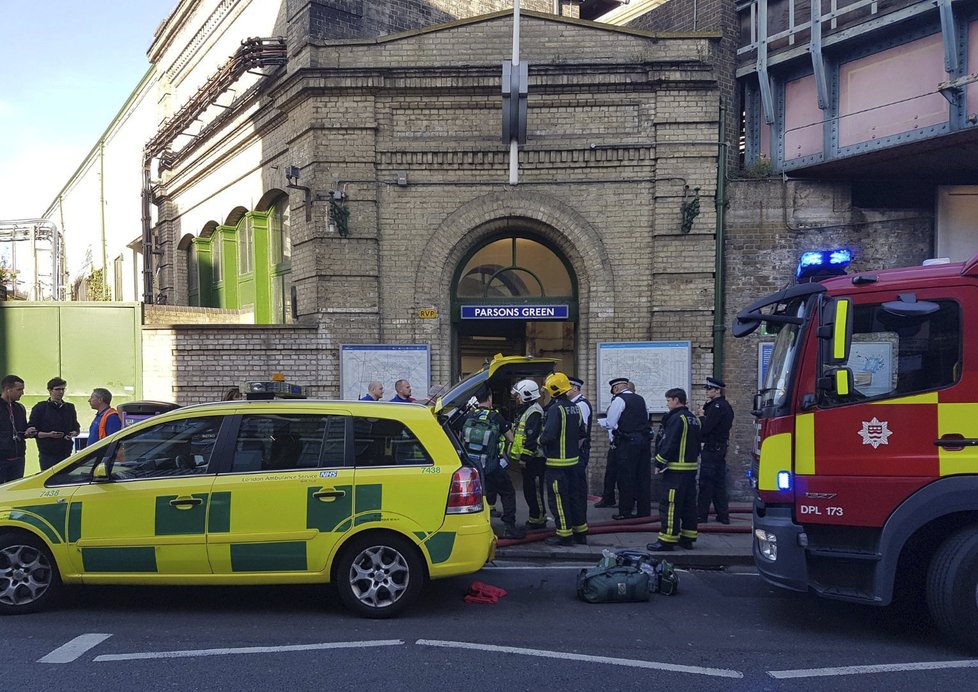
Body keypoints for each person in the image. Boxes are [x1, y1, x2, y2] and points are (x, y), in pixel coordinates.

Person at [461, 386, 525, 539]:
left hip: (473, 466)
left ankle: (481, 526)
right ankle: (509, 526)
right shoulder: (496, 417)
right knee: (507, 491)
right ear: (490, 398)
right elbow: (511, 438)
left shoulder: (469, 415)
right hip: (491, 464)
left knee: (480, 493)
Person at [647, 388, 702, 551]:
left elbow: (669, 442)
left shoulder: (677, 419)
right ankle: (688, 538)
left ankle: (667, 540)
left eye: (669, 400)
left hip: (676, 470)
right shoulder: (694, 419)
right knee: (689, 505)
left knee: (670, 505)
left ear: (677, 400)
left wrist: (659, 462)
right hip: (690, 469)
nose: (667, 403)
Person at [540, 372, 586, 546]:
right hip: (573, 463)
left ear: (553, 390)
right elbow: (582, 433)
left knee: (558, 500)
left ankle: (564, 535)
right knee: (574, 498)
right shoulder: (576, 408)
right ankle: (581, 532)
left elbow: (548, 436)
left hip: (556, 465)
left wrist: (538, 440)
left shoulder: (555, 409)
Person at [604, 377, 651, 520]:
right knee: (642, 477)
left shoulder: (619, 400)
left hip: (627, 443)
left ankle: (625, 511)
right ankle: (644, 510)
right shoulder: (640, 399)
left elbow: (610, 423)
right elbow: (646, 417)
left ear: (616, 388)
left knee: (626, 477)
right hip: (643, 442)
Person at [510, 378, 547, 530]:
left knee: (535, 491)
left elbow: (531, 438)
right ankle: (534, 517)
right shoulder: (528, 410)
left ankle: (539, 519)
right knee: (529, 490)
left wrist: (524, 458)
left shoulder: (535, 412)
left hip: (535, 460)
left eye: (519, 395)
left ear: (526, 394)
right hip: (530, 459)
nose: (517, 398)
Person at [698, 377, 735, 524]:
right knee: (719, 483)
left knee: (706, 483)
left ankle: (701, 515)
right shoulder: (723, 405)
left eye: (709, 389)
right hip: (720, 448)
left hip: (712, 449)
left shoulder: (717, 407)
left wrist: (701, 417)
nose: (707, 391)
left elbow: (707, 428)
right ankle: (723, 515)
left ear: (717, 390)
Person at [28, 377, 80, 471]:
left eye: (62, 389)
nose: (61, 392)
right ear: (50, 390)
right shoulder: (40, 408)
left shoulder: (69, 407)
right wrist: (49, 435)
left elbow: (75, 426)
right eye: (57, 389)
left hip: (65, 451)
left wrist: (73, 433)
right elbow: (32, 431)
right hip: (48, 453)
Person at [567, 376, 592, 537]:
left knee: (577, 490)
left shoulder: (581, 405)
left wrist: (573, 451)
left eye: (567, 387)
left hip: (578, 454)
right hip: (575, 453)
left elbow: (580, 434)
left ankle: (580, 524)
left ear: (575, 388)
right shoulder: (573, 405)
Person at [0, 375, 31, 483]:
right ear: (8, 390)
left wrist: (28, 432)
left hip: (18, 458)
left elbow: (23, 429)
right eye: (19, 389)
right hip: (2, 459)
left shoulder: (19, 408)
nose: (22, 393)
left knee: (14, 490)